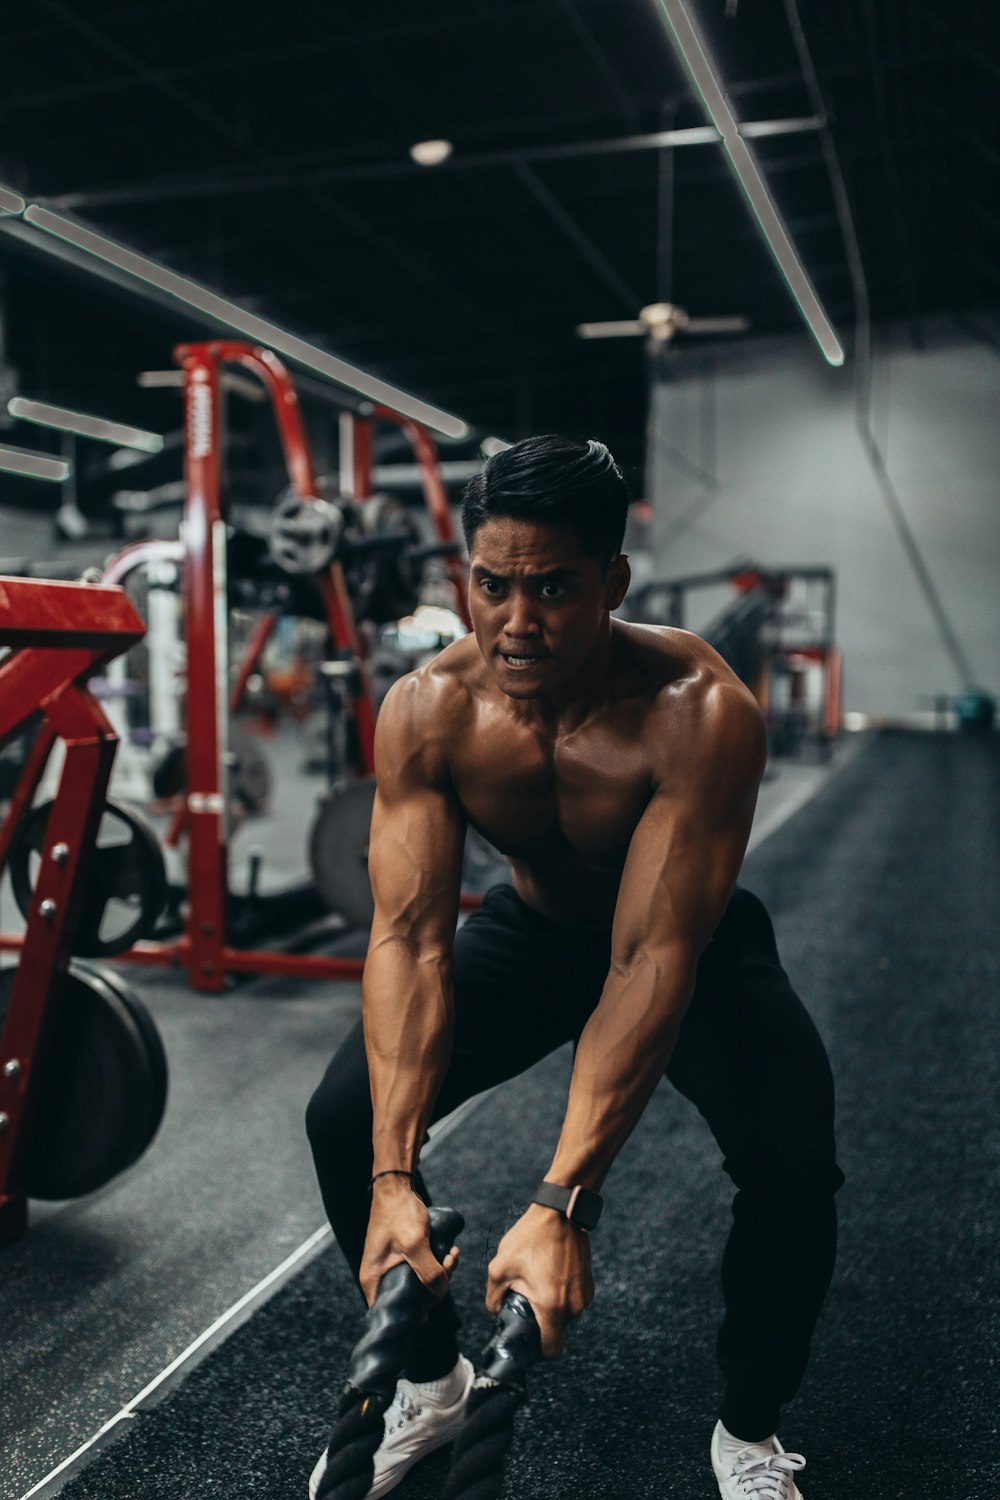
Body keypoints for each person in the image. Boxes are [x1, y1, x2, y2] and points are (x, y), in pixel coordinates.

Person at [306, 434, 843, 1500]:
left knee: (792, 1170)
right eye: (491, 584)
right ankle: (434, 1381)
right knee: (346, 1116)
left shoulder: (699, 711)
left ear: (613, 581)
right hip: (536, 927)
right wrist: (392, 1174)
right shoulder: (428, 709)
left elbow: (650, 956)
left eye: (551, 587)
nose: (515, 621)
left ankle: (748, 1431)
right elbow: (407, 938)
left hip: (688, 941)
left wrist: (562, 1201)